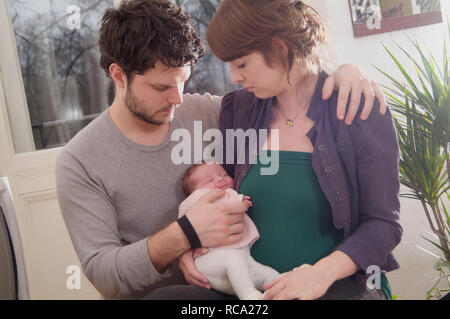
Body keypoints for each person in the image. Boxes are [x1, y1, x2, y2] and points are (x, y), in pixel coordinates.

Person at [55, 0, 389, 300]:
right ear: (118, 75)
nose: (177, 99)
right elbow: (104, 276)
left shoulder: (208, 111)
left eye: (182, 82)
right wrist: (185, 240)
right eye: (161, 87)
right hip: (216, 289)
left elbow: (383, 223)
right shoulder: (80, 162)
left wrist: (350, 70)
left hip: (321, 287)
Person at [179, 0, 402, 300]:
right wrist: (191, 244)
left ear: (279, 48)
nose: (233, 77)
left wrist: (319, 275)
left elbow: (384, 225)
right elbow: (224, 197)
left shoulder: (357, 107)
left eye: (242, 64)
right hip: (254, 289)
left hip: (339, 287)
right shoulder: (238, 110)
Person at [178, 161, 280, 300]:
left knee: (266, 273)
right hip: (208, 261)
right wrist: (234, 198)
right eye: (209, 180)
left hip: (241, 260)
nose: (220, 179)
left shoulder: (230, 196)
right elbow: (185, 217)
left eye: (223, 174)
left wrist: (238, 198)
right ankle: (249, 296)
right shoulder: (196, 200)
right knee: (233, 259)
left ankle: (279, 287)